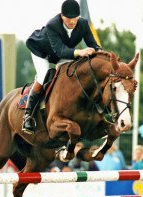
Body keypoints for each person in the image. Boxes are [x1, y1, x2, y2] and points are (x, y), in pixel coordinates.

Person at [23, 0, 102, 134]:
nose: (72, 22)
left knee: (69, 74)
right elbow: (60, 51)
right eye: (68, 19)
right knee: (43, 76)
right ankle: (28, 115)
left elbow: (93, 44)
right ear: (61, 16)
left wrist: (102, 55)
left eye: (75, 18)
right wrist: (79, 52)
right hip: (41, 51)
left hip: (62, 52)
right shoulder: (52, 25)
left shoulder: (83, 23)